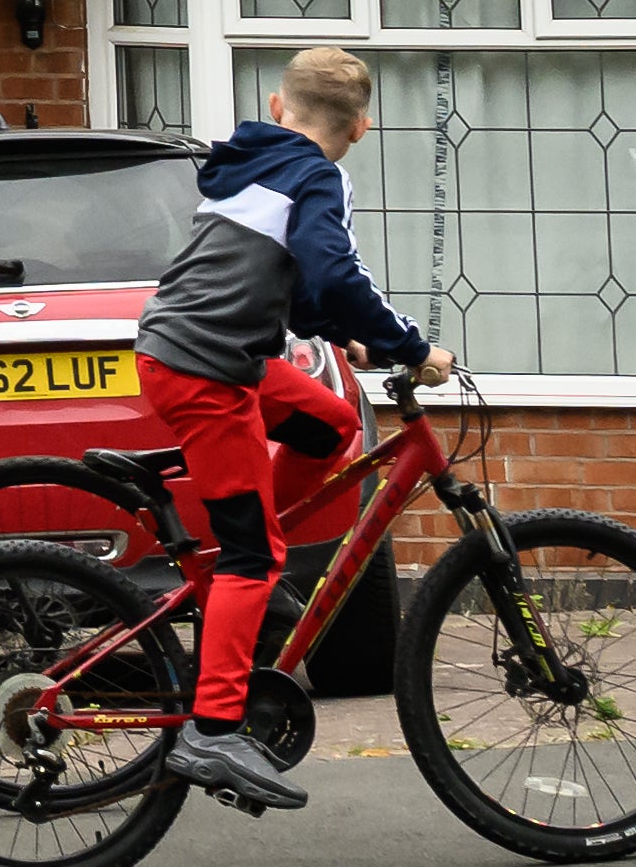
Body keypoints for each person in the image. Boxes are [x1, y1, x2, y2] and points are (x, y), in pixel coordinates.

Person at [138, 43, 440, 815]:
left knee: (331, 423)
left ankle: (248, 565)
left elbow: (286, 277)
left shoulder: (256, 158)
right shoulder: (317, 173)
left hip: (199, 352)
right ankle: (212, 728)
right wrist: (410, 345)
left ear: (280, 105)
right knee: (253, 554)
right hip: (208, 369)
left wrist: (348, 335)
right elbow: (333, 269)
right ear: (362, 128)